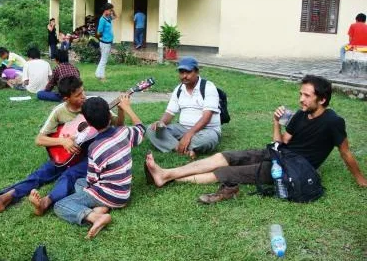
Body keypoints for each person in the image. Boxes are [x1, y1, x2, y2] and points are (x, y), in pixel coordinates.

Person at [145, 75, 367, 204]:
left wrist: (360, 179)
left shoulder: (333, 122)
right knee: (225, 156)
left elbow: (346, 153)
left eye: (306, 95)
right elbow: (283, 142)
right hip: (278, 153)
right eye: (301, 94)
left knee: (227, 174)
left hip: (292, 168)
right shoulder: (300, 114)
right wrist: (275, 122)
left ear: (323, 98)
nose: (301, 99)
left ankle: (167, 176)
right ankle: (165, 175)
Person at [0, 76, 89, 213]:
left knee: (69, 176)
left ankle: (45, 202)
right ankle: (4, 198)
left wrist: (122, 109)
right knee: (40, 174)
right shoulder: (59, 111)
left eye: (83, 92)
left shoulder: (92, 105)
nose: (84, 96)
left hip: (86, 157)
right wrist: (62, 141)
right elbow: (39, 139)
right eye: (78, 95)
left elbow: (115, 124)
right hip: (66, 155)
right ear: (67, 98)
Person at [54, 96, 145, 239]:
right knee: (79, 182)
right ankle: (102, 209)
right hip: (124, 193)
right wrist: (127, 109)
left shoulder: (95, 148)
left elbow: (91, 180)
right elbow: (141, 129)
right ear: (109, 115)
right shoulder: (124, 132)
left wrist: (89, 191)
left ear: (89, 123)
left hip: (108, 194)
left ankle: (95, 217)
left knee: (60, 205)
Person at [146, 56, 221, 159]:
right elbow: (170, 112)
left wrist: (189, 135)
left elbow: (206, 118)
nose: (184, 76)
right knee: (151, 129)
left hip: (207, 130)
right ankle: (183, 149)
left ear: (197, 72)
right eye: (181, 72)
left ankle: (174, 145)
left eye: (188, 72)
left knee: (208, 139)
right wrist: (161, 122)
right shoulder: (179, 89)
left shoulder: (208, 87)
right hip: (182, 128)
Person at [95, 3, 117, 82]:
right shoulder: (102, 20)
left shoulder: (108, 18)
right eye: (110, 10)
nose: (111, 12)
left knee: (103, 59)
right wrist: (103, 39)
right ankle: (102, 77)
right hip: (105, 42)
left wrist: (112, 10)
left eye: (111, 10)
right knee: (104, 60)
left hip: (108, 42)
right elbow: (99, 32)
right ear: (105, 10)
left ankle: (98, 74)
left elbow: (115, 17)